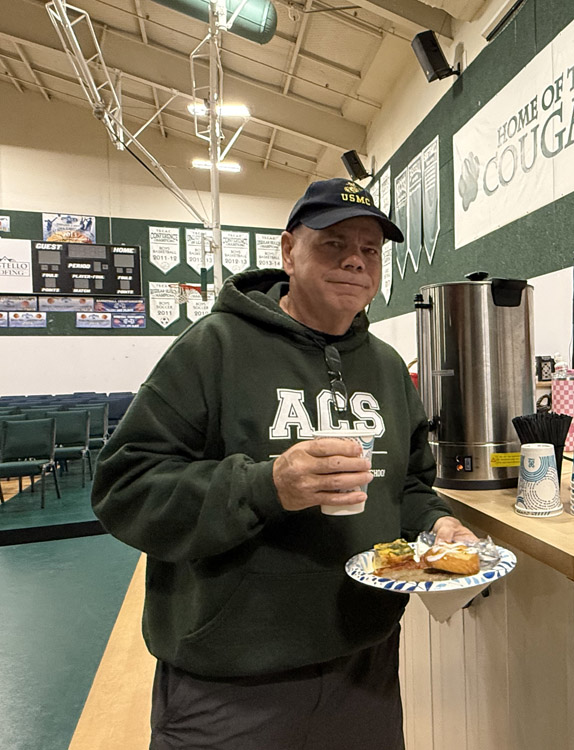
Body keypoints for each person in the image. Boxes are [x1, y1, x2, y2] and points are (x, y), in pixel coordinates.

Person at [91, 178, 476, 750]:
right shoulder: (213, 348)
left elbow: (410, 484)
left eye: (370, 250)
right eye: (333, 243)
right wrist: (265, 485)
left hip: (364, 667)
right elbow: (124, 486)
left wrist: (436, 524)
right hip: (230, 682)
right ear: (289, 251)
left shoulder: (388, 367)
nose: (355, 260)